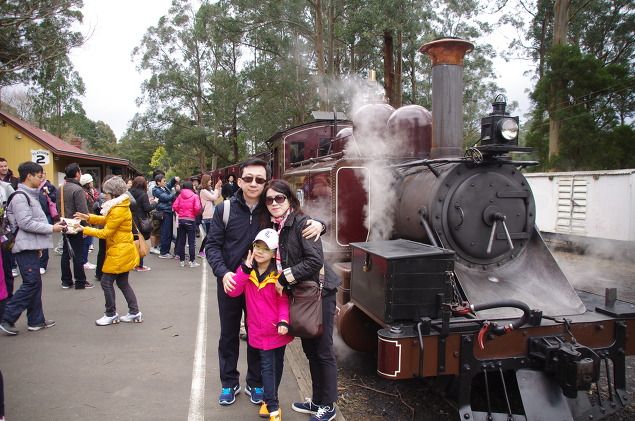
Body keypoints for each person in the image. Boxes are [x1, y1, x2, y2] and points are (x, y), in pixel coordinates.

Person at [205, 157, 324, 410]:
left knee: (258, 332)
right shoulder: (224, 209)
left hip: (263, 285)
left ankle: (255, 381)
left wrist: (320, 224)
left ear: (265, 182)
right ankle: (229, 382)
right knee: (228, 334)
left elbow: (295, 219)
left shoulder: (270, 208)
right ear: (239, 181)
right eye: (248, 178)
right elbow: (212, 246)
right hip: (232, 281)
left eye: (259, 180)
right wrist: (223, 273)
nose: (253, 184)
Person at [263, 179, 340, 421]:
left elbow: (314, 261)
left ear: (289, 200)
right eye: (269, 199)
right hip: (303, 294)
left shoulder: (302, 223)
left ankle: (328, 405)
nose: (274, 203)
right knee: (310, 349)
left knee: (323, 350)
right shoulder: (276, 226)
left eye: (279, 198)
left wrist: (284, 277)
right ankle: (317, 401)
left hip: (319, 293)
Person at [226, 228, 291, 421]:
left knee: (277, 366)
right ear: (252, 247)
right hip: (259, 332)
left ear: (274, 253)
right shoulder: (247, 271)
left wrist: (284, 320)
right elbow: (233, 292)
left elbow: (283, 301)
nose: (260, 252)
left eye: (266, 249)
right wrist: (244, 270)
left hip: (278, 330)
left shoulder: (278, 275)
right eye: (257, 246)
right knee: (267, 368)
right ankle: (273, 407)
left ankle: (270, 399)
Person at [0, 161, 65, 336]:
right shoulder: (21, 197)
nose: (41, 179)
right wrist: (52, 228)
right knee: (31, 283)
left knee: (35, 283)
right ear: (29, 176)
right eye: (39, 176)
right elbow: (26, 223)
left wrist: (39, 244)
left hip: (29, 245)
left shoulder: (29, 195)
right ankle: (7, 317)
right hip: (23, 246)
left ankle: (36, 320)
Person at [74, 176, 142, 326]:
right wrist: (88, 217)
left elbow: (106, 232)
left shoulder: (117, 209)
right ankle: (134, 312)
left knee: (106, 282)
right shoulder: (119, 206)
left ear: (113, 193)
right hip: (123, 249)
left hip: (119, 250)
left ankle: (111, 314)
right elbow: (107, 220)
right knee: (122, 283)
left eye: (106, 192)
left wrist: (84, 229)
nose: (104, 195)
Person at [57, 163, 93, 289]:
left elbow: (57, 206)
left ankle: (66, 281)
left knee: (66, 253)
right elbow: (82, 211)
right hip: (76, 224)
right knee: (78, 254)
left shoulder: (61, 188)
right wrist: (86, 227)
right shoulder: (78, 189)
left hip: (64, 223)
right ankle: (80, 281)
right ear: (77, 173)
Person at [172, 181, 201, 268]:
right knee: (191, 242)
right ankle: (192, 261)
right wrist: (194, 214)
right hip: (191, 220)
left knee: (182, 241)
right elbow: (197, 208)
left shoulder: (180, 196)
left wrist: (180, 213)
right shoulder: (195, 196)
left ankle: (182, 261)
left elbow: (175, 206)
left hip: (181, 220)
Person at [129, 176, 155, 272]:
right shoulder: (143, 194)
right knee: (140, 242)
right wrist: (155, 203)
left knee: (132, 241)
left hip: (130, 219)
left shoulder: (129, 192)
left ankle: (132, 263)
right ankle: (139, 265)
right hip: (140, 220)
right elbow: (147, 208)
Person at [152, 174, 180, 258]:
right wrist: (175, 192)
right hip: (164, 212)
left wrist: (174, 179)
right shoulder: (156, 190)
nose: (165, 182)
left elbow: (170, 184)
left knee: (168, 232)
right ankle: (164, 252)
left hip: (168, 211)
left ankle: (165, 251)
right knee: (165, 232)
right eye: (164, 181)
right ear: (158, 182)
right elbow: (166, 198)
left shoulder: (163, 187)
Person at [36, 170, 57, 275]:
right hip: (34, 215)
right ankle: (36, 262)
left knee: (44, 238)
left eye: (43, 173)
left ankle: (42, 264)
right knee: (35, 239)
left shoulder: (49, 186)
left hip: (46, 214)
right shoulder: (33, 186)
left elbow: (55, 198)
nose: (41, 175)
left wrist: (48, 193)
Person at [197, 174, 222, 258]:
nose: (211, 181)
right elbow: (214, 197)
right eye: (210, 180)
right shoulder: (203, 191)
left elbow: (218, 196)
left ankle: (206, 251)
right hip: (207, 216)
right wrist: (216, 188)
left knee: (210, 234)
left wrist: (219, 187)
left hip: (211, 215)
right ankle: (201, 251)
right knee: (209, 235)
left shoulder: (209, 190)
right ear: (206, 181)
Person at [80, 173, 97, 271]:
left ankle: (85, 261)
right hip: (86, 220)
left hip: (88, 219)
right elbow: (85, 208)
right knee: (86, 243)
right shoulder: (84, 193)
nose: (92, 183)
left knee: (87, 242)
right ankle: (84, 261)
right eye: (91, 181)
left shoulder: (87, 192)